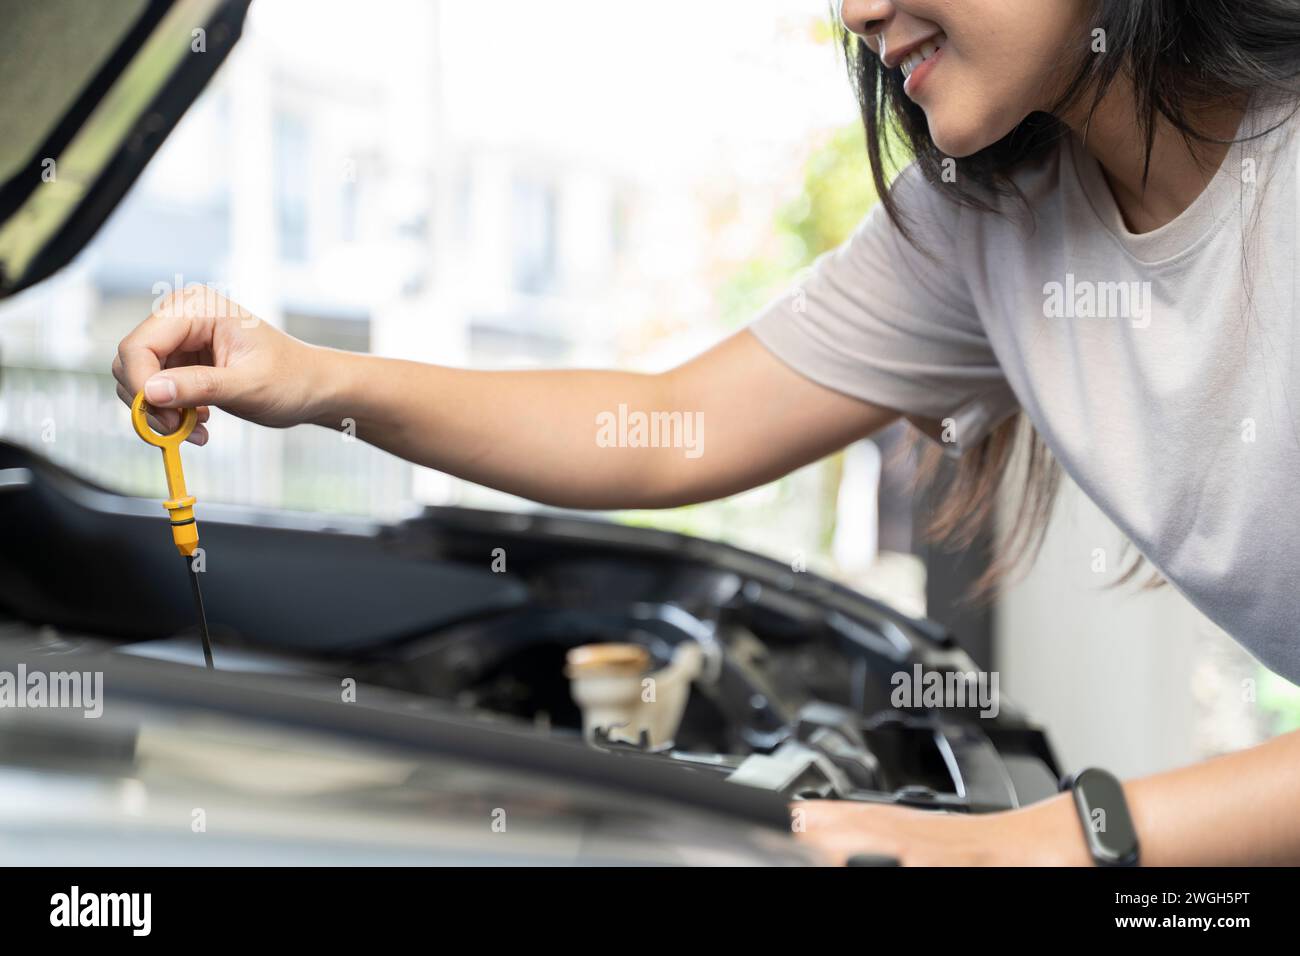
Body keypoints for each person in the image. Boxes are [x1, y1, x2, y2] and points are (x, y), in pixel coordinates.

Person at [114, 0, 1300, 865]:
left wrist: (1046, 842)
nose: (857, 11)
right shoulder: (989, 218)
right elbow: (668, 426)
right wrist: (315, 376)